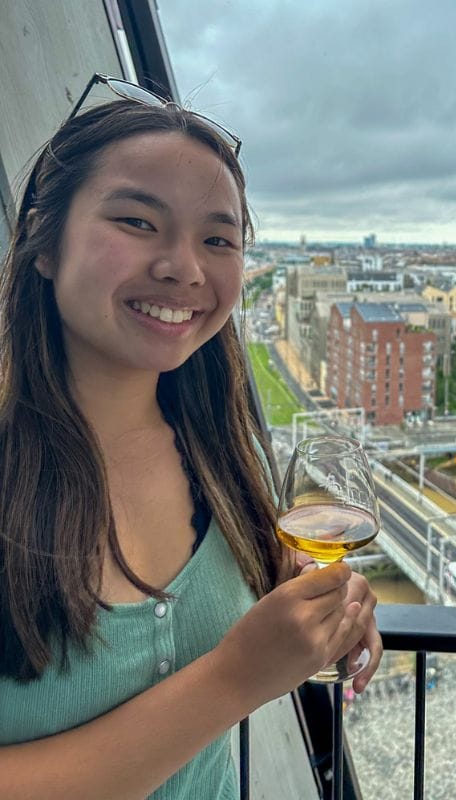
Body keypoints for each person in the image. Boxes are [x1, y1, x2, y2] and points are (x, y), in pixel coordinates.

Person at [0, 76, 382, 799]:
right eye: (138, 223)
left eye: (218, 238)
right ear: (44, 245)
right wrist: (233, 679)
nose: (184, 267)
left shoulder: (218, 451)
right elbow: (232, 669)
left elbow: (256, 584)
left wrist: (317, 610)